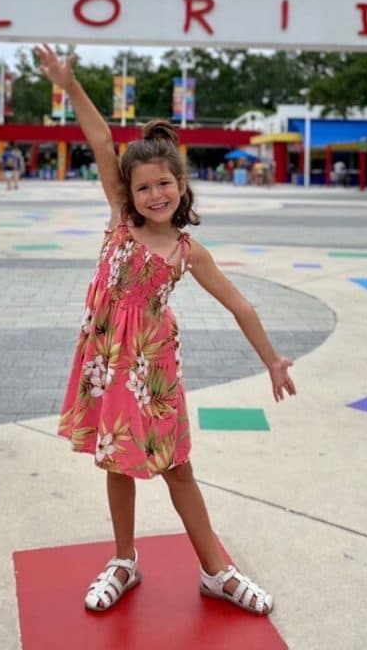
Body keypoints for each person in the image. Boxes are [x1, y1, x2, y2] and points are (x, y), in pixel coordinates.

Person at [35, 44, 297, 616]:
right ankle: (124, 560)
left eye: (164, 185)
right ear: (128, 194)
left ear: (182, 185)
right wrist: (68, 83)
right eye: (143, 187)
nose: (155, 195)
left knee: (179, 469)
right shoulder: (122, 222)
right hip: (107, 361)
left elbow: (241, 306)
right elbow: (102, 139)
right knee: (115, 464)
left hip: (153, 372)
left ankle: (217, 571)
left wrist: (273, 359)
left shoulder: (186, 251)